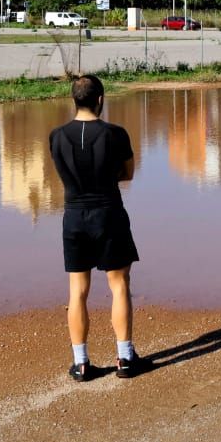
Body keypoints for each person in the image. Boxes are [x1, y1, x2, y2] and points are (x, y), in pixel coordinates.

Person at [49, 74, 141, 381]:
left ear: (73, 100)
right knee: (119, 285)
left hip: (74, 217)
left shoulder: (57, 136)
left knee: (77, 291)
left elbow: (65, 172)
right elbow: (127, 174)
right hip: (108, 213)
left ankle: (81, 363)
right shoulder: (115, 134)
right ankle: (125, 358)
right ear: (100, 99)